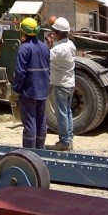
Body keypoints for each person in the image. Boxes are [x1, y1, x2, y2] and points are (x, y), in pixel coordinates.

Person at [11, 17, 51, 149]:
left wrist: (16, 89)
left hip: (29, 91)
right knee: (41, 121)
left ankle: (29, 151)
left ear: (23, 31)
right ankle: (40, 150)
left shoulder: (24, 48)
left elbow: (20, 72)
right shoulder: (45, 47)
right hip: (43, 90)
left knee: (30, 122)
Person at [48, 17, 76, 151]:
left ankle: (64, 141)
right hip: (69, 83)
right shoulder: (70, 45)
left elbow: (46, 57)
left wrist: (48, 45)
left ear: (58, 33)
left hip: (60, 84)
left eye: (54, 32)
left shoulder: (59, 49)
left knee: (61, 114)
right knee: (68, 112)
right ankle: (69, 139)